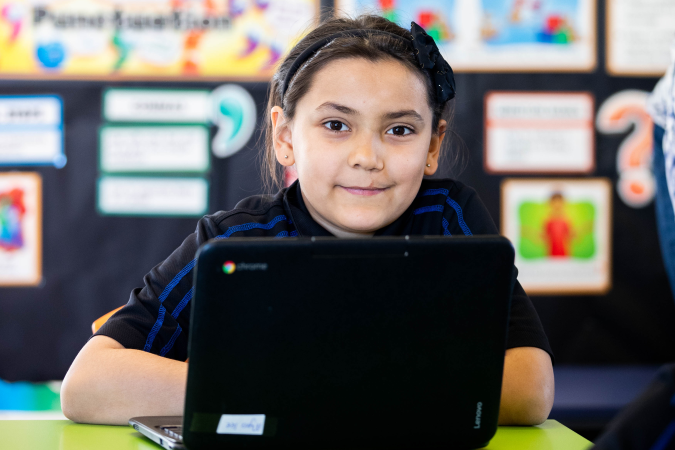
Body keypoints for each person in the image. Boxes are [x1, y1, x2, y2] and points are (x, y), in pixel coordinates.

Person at [60, 14, 554, 427]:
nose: (367, 156)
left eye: (399, 129)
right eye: (336, 125)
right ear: (285, 136)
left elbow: (531, 387)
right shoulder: (236, 239)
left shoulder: (448, 219)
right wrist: (325, 386)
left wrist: (307, 386)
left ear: (433, 145)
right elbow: (87, 385)